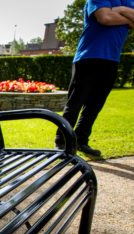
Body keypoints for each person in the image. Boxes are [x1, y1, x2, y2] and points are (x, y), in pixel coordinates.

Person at [56, 0, 134, 156]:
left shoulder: (128, 1)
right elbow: (105, 18)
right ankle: (62, 142)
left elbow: (112, 16)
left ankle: (81, 140)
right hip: (89, 56)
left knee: (95, 105)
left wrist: (120, 9)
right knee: (76, 102)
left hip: (112, 59)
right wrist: (128, 19)